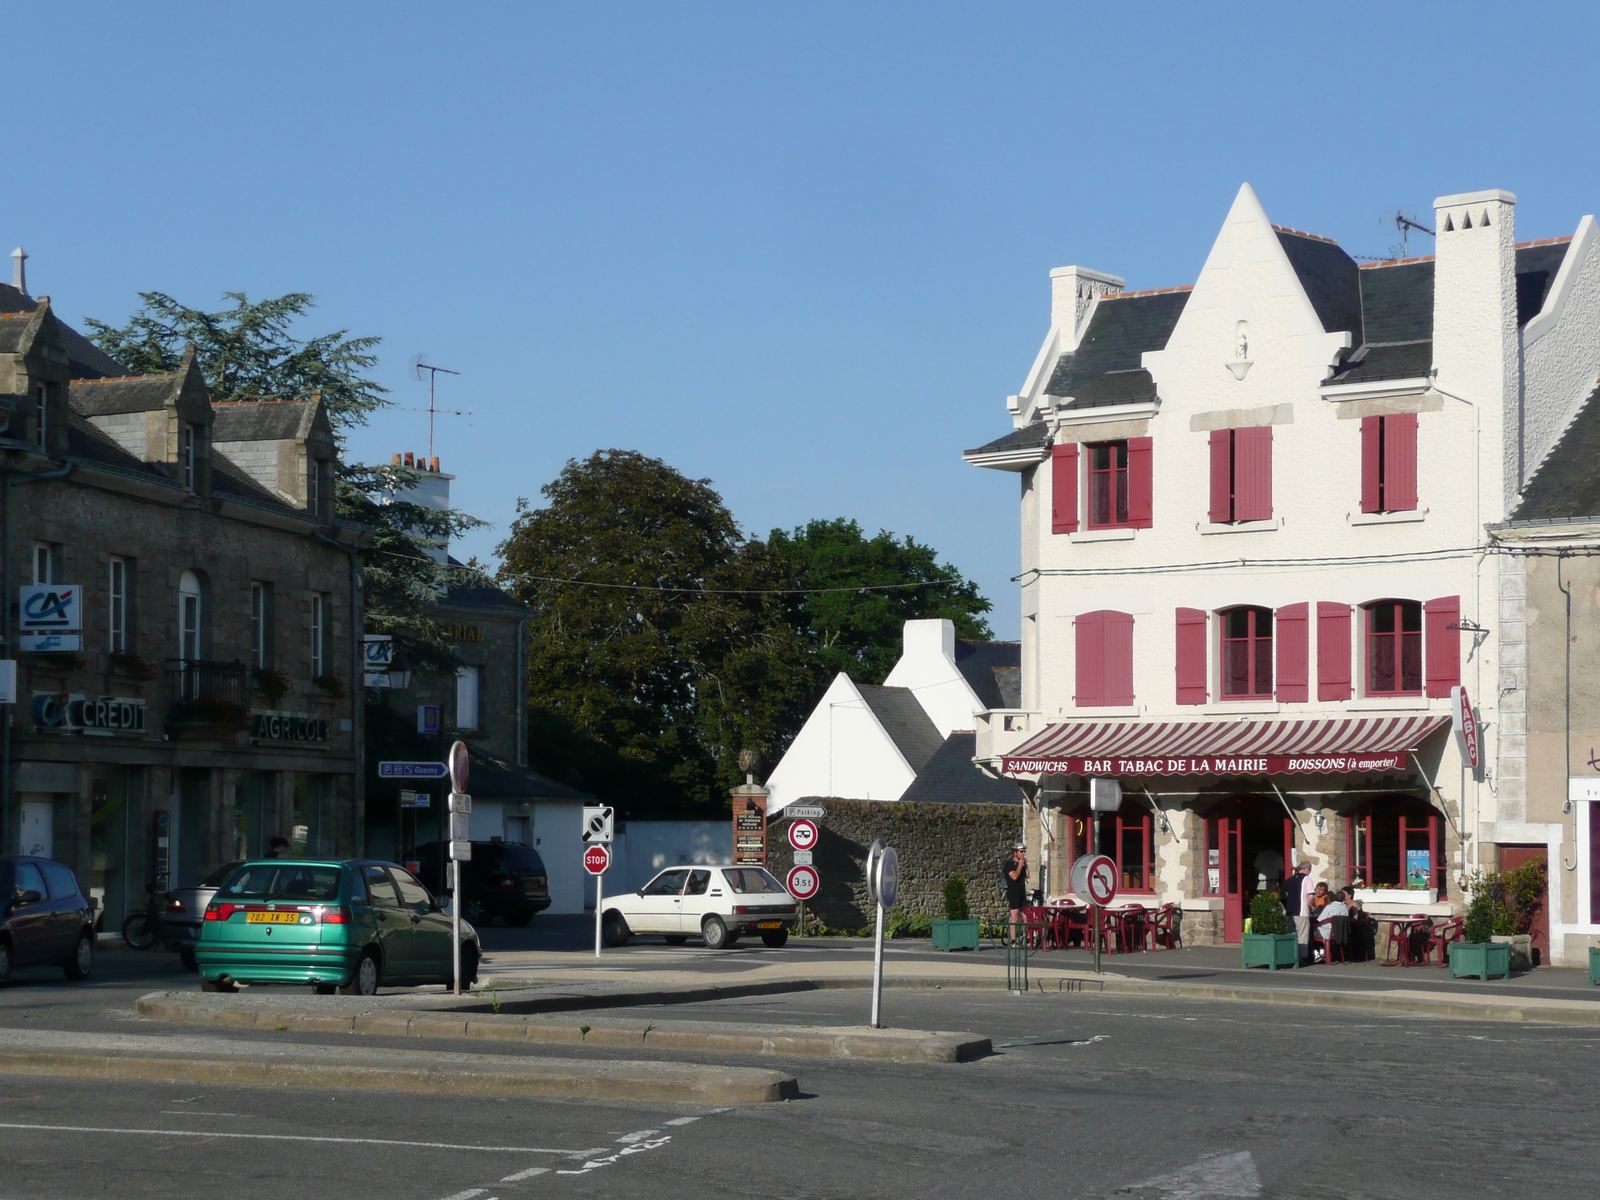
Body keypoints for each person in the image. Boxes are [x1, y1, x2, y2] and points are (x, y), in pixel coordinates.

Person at [1281, 860, 1312, 962]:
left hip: (1289, 911)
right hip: (1302, 910)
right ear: (1307, 869)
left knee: (1291, 933)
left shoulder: (1288, 880)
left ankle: (1289, 955)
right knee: (1302, 934)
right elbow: (1310, 896)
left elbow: (1282, 897)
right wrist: (1312, 906)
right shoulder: (1307, 880)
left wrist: (1286, 907)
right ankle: (1302, 957)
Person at [1313, 892, 1349, 963]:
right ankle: (1322, 951)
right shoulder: (1345, 908)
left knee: (1312, 932)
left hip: (1327, 933)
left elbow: (1320, 919)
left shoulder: (1329, 907)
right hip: (1340, 934)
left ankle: (1318, 952)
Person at [1002, 844, 1028, 937]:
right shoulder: (1009, 864)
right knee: (1015, 916)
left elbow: (1027, 876)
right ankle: (1013, 939)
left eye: (1024, 851)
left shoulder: (1022, 863)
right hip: (1013, 893)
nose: (1023, 853)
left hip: (1022, 893)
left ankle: (1028, 939)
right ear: (1015, 853)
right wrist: (1020, 865)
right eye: (1021, 852)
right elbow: (1014, 876)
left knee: (1026, 916)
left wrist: (1026, 865)